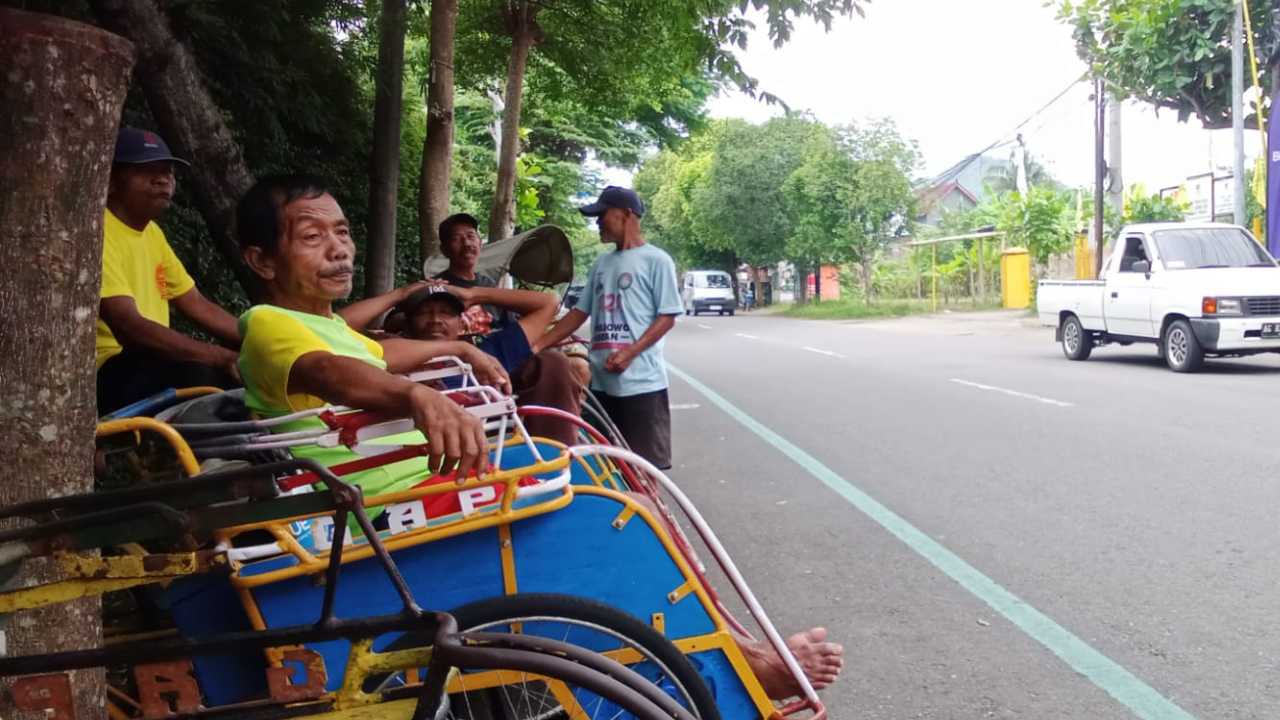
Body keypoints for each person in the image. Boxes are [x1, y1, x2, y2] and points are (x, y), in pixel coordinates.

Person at [234, 174, 510, 497]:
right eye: (311, 237)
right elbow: (330, 373)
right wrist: (416, 394)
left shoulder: (331, 325)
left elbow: (381, 355)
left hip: (424, 485)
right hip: (381, 507)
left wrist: (462, 350)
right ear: (263, 261)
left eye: (342, 232)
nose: (339, 250)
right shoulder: (267, 322)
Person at [96, 127, 241, 414]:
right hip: (108, 370)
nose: (163, 180)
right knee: (200, 373)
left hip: (151, 363)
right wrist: (221, 357)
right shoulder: (97, 230)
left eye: (168, 171)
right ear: (111, 180)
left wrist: (264, 338)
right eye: (147, 171)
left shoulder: (151, 233)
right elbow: (129, 327)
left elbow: (196, 303)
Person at [541, 186, 681, 470]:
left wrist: (630, 353)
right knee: (604, 467)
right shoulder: (602, 264)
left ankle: (646, 512)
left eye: (602, 215)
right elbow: (580, 312)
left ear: (626, 214)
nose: (597, 223)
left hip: (642, 385)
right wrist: (537, 343)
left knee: (643, 468)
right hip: (602, 385)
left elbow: (667, 316)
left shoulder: (657, 260)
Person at [393, 284, 583, 445]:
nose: (435, 320)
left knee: (552, 362)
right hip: (426, 449)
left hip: (498, 446)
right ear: (408, 324)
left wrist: (473, 294)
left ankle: (554, 460)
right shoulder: (392, 355)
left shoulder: (487, 354)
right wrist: (398, 295)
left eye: (445, 313)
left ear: (461, 324)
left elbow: (548, 303)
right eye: (424, 313)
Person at [432, 212, 510, 334]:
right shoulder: (436, 287)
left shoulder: (490, 285)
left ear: (480, 243)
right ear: (444, 250)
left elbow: (510, 324)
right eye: (456, 238)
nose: (467, 244)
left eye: (471, 236)